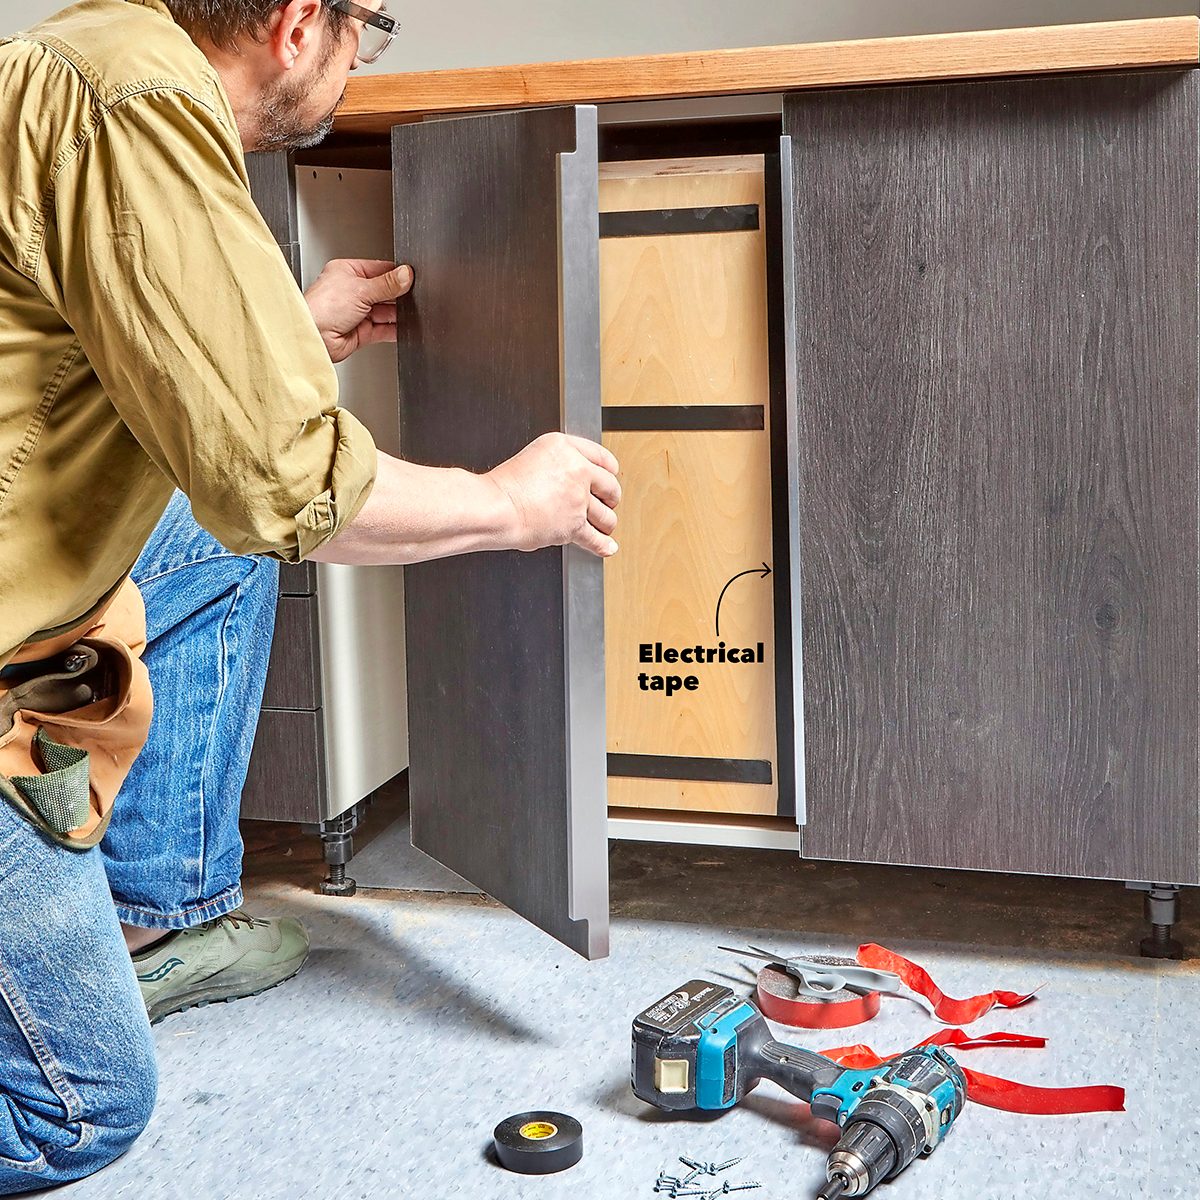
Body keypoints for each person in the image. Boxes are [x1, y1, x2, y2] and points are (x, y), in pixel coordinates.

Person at [0, 0, 621, 1189]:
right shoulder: (144, 109)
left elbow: (99, 342)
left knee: (200, 534)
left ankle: (154, 919)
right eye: (367, 30)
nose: (361, 59)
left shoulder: (83, 59)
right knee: (77, 1110)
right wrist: (512, 502)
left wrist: (283, 323)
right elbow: (286, 487)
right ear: (298, 23)